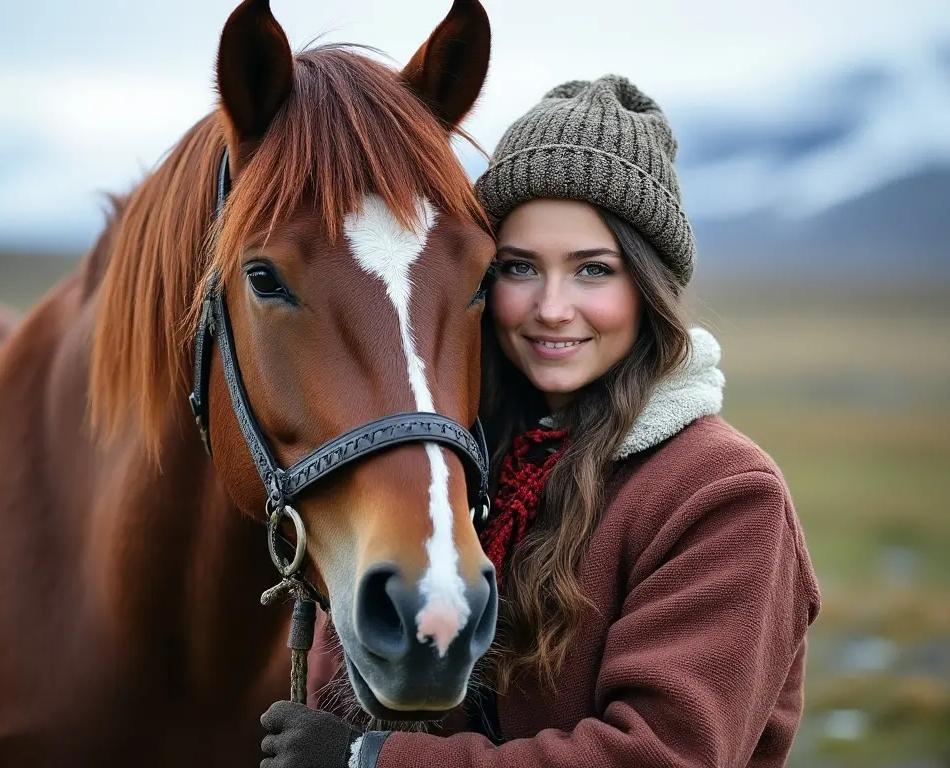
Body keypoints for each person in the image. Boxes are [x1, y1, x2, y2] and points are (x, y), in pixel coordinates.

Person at [259, 74, 820, 768]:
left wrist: (373, 761)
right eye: (520, 268)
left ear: (649, 288)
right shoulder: (452, 464)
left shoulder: (724, 494)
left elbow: (663, 757)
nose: (552, 307)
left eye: (592, 271)